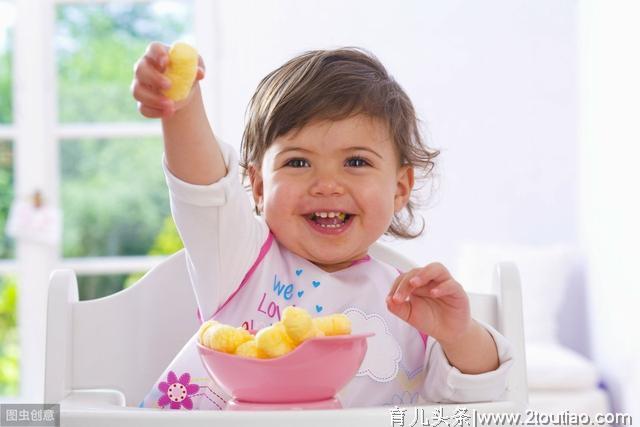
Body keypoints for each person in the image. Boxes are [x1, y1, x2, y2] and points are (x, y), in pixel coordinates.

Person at [131, 43, 513, 410]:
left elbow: (480, 392)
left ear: (399, 188)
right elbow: (205, 190)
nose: (327, 184)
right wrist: (179, 105)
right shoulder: (240, 256)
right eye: (298, 162)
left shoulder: (411, 306)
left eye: (356, 162)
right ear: (260, 187)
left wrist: (457, 334)